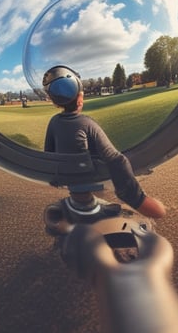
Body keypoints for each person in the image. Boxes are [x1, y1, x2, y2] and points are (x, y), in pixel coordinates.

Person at [42, 65, 166, 219]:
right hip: (90, 175)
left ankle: (81, 204)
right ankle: (140, 202)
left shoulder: (54, 122)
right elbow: (115, 158)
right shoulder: (87, 123)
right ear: (80, 99)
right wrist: (131, 194)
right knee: (118, 162)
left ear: (55, 102)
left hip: (66, 177)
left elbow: (48, 154)